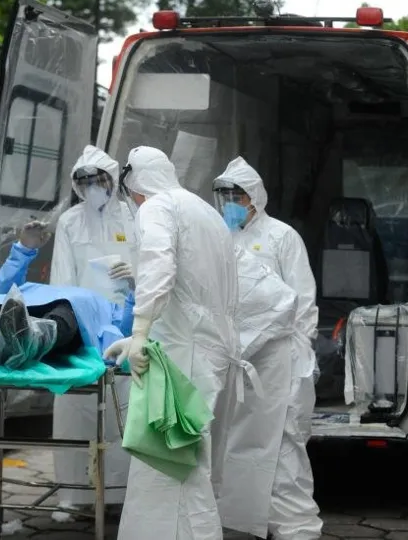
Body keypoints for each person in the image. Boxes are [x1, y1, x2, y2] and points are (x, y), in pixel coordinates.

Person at [104, 146, 240, 540]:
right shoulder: (205, 212)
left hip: (186, 353)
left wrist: (141, 331)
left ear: (136, 184)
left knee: (171, 465)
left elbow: (159, 266)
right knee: (189, 464)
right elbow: (195, 292)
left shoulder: (157, 207)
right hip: (209, 349)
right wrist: (137, 336)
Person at [213, 157, 322, 539]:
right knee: (242, 446)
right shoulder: (220, 237)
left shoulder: (282, 236)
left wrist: (301, 356)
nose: (228, 202)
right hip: (241, 362)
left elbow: (302, 302)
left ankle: (296, 528)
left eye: (236, 195)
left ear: (254, 198)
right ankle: (246, 521)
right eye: (223, 194)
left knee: (285, 446)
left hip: (281, 362)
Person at [49, 145, 138, 519]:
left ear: (112, 180)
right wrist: (66, 324)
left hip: (125, 326)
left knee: (123, 410)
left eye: (98, 180)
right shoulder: (70, 221)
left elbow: (153, 264)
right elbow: (61, 275)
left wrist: (135, 280)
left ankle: (120, 494)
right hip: (82, 326)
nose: (92, 188)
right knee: (75, 408)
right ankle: (72, 495)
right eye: (84, 182)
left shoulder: (134, 217)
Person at [0, 236, 134, 368]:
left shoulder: (110, 308)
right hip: (27, 305)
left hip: (69, 317)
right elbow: (3, 290)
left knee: (64, 314)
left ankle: (13, 338)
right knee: (11, 309)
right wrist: (23, 248)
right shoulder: (52, 288)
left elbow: (127, 333)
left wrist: (134, 291)